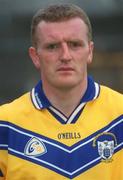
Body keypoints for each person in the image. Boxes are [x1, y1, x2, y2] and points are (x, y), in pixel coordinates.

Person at [0, 3, 123, 180]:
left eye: (75, 44)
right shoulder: (5, 124)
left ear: (90, 51)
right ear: (35, 56)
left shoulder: (120, 114)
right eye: (52, 46)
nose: (65, 56)